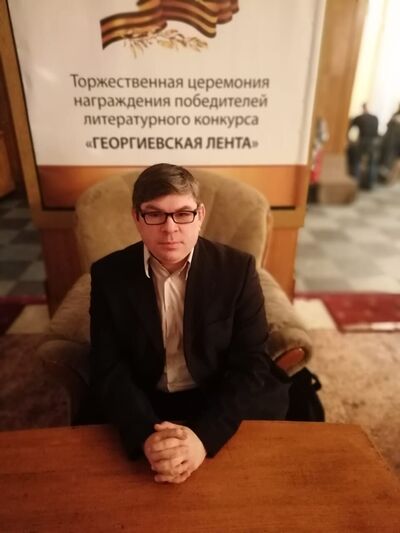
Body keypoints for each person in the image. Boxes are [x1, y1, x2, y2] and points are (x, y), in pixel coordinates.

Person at [89, 163, 290, 484]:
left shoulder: (237, 270)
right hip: (145, 394)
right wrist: (145, 435)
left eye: (183, 214)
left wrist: (203, 439)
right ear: (137, 218)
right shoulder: (108, 274)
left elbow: (251, 362)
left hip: (215, 390)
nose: (170, 229)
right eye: (154, 214)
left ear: (200, 216)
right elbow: (107, 365)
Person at [347, 103, 379, 189]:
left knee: (357, 161)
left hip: (363, 140)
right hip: (374, 142)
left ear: (362, 108)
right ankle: (369, 185)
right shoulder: (375, 118)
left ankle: (356, 183)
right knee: (372, 163)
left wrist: (348, 139)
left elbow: (349, 127)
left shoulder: (359, 118)